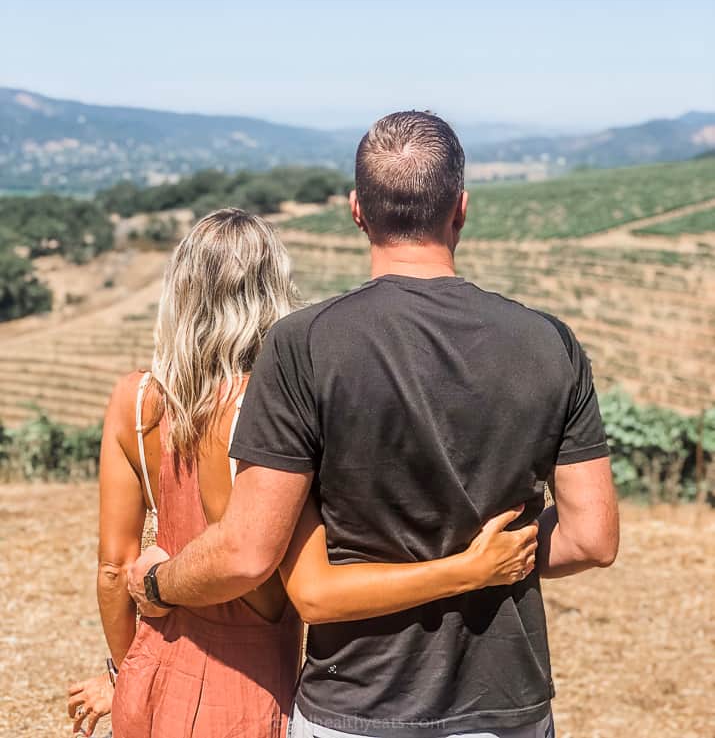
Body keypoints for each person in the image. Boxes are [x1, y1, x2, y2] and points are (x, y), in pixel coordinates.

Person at [129, 112, 619, 738]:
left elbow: (251, 552)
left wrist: (158, 582)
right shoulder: (551, 343)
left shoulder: (302, 346)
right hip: (506, 705)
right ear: (460, 210)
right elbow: (592, 539)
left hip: (355, 708)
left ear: (358, 210)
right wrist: (483, 560)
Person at [68, 207, 538, 738]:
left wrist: (122, 670)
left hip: (148, 674)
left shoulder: (133, 400)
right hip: (247, 683)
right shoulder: (271, 414)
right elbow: (270, 584)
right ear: (273, 291)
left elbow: (114, 567)